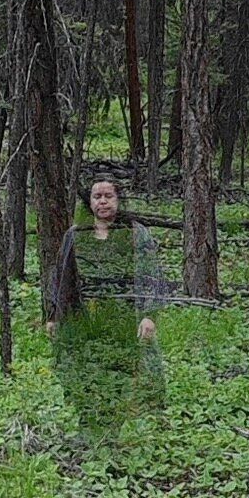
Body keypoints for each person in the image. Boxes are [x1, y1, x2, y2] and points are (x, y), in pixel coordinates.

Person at [46, 179, 171, 433]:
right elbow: (62, 279)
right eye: (97, 197)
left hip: (127, 318)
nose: (102, 201)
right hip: (87, 320)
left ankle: (135, 430)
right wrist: (54, 316)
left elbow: (150, 274)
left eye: (108, 196)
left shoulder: (136, 233)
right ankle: (92, 425)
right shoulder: (75, 235)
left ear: (118, 199)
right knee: (87, 373)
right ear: (89, 202)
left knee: (135, 375)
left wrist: (149, 315)